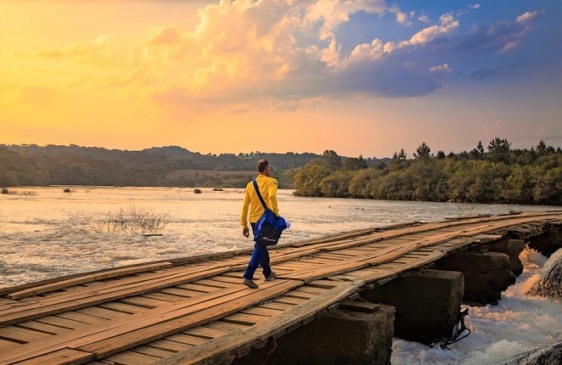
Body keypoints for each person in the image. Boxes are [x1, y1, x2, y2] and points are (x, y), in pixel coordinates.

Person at [240, 159, 279, 288]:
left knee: (262, 244)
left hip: (253, 220)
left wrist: (244, 224)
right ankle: (248, 276)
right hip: (265, 220)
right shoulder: (272, 182)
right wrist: (276, 214)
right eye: (269, 168)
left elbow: (245, 206)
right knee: (260, 245)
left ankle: (267, 273)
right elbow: (272, 197)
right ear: (267, 168)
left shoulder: (250, 185)